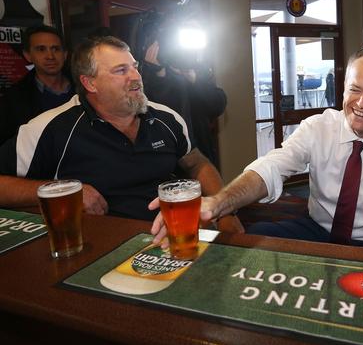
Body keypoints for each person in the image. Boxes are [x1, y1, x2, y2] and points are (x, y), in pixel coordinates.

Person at [151, 46, 363, 254]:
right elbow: (271, 167)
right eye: (355, 89)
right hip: (318, 230)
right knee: (252, 243)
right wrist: (218, 203)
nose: (361, 103)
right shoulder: (317, 128)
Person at [0, 35, 222, 220]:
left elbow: (197, 163)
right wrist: (64, 193)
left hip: (175, 235)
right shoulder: (50, 128)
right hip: (103, 250)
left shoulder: (167, 118)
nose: (136, 77)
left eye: (135, 67)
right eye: (120, 71)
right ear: (90, 83)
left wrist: (224, 211)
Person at [140, 40, 227, 167]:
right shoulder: (152, 77)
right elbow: (157, 110)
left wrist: (195, 82)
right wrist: (158, 75)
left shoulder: (197, 74)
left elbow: (218, 104)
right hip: (168, 154)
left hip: (200, 149)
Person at [0, 25, 74, 144]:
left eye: (55, 49)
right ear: (28, 55)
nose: (50, 56)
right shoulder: (14, 99)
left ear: (65, 54)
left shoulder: (85, 88)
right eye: (41, 49)